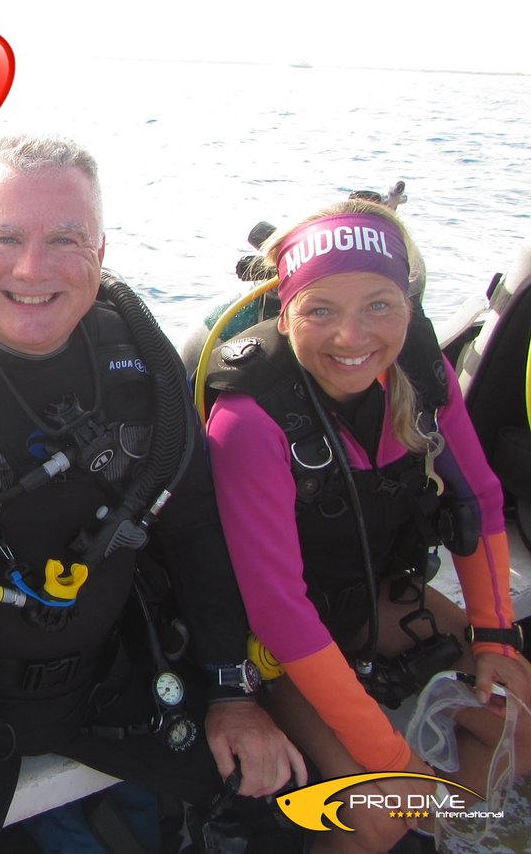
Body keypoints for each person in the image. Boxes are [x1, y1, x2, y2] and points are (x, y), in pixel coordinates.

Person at [0, 134, 303, 852]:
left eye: (66, 239)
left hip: (111, 681)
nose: (33, 268)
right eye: (6, 237)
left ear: (101, 253)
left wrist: (232, 690)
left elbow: (195, 535)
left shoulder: (140, 366)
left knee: (283, 807)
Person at [205, 198, 531, 851]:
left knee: (521, 726)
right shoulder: (250, 418)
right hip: (270, 647)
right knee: (381, 807)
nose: (351, 338)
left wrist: (496, 639)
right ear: (286, 309)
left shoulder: (422, 370)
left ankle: (442, 832)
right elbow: (279, 612)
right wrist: (391, 756)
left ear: (408, 308)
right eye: (321, 309)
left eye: (379, 305)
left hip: (371, 597)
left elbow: (483, 501)